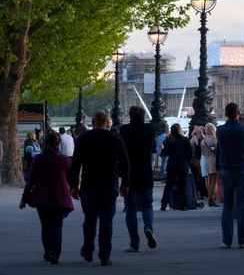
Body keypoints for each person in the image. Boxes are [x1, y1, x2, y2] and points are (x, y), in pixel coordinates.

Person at [69, 110, 130, 267]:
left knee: (89, 220)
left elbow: (75, 164)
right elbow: (125, 162)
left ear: (93, 122)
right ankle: (104, 254)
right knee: (106, 220)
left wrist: (74, 186)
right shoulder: (115, 138)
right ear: (106, 122)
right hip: (109, 184)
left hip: (89, 184)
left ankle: (88, 251)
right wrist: (125, 184)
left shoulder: (84, 138)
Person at [19, 131, 74, 264]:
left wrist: (24, 198)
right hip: (60, 197)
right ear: (58, 143)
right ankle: (55, 252)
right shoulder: (64, 160)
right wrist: (75, 190)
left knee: (46, 226)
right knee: (57, 226)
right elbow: (71, 179)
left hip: (42, 197)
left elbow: (31, 180)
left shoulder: (39, 159)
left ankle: (48, 251)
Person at [216, 102, 244, 249]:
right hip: (243, 171)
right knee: (242, 206)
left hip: (226, 171)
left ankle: (226, 241)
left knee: (226, 205)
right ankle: (243, 240)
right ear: (238, 112)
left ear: (226, 114)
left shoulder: (220, 130)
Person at [119, 106, 157, 252]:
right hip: (146, 173)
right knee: (147, 205)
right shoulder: (150, 129)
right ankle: (148, 227)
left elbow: (121, 153)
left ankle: (134, 242)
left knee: (131, 209)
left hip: (130, 175)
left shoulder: (125, 130)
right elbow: (153, 148)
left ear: (130, 115)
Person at [159, 123, 193, 211]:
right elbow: (190, 153)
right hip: (183, 165)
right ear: (180, 130)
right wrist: (187, 162)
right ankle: (182, 205)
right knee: (182, 185)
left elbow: (164, 153)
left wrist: (163, 148)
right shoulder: (185, 140)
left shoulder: (169, 140)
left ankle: (164, 204)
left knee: (168, 185)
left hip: (172, 165)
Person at [200, 123, 220, 207]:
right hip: (214, 161)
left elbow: (203, 153)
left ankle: (210, 196)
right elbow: (217, 151)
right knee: (214, 181)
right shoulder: (215, 140)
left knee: (209, 180)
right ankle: (211, 197)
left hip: (207, 161)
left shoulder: (203, 141)